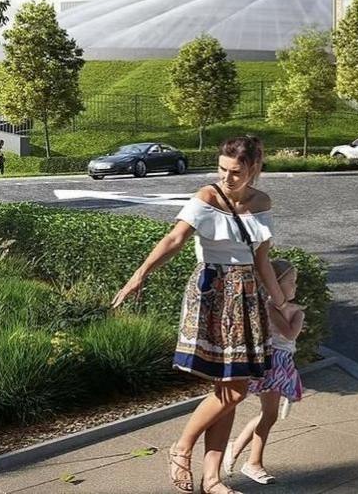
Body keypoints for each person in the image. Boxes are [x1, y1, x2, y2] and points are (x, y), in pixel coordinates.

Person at [111, 135, 291, 494]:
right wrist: (138, 276)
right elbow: (174, 239)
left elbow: (262, 260)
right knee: (234, 390)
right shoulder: (207, 196)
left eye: (236, 172)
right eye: (222, 169)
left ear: (254, 168)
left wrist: (280, 304)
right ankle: (181, 448)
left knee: (229, 388)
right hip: (213, 294)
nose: (226, 177)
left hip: (247, 297)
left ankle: (212, 480)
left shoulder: (262, 202)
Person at [224, 259, 304, 485]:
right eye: (291, 282)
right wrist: (298, 317)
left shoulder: (283, 308)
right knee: (269, 414)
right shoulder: (270, 306)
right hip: (271, 363)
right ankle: (253, 463)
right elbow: (289, 333)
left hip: (282, 363)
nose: (295, 287)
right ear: (275, 285)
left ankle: (237, 448)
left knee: (267, 413)